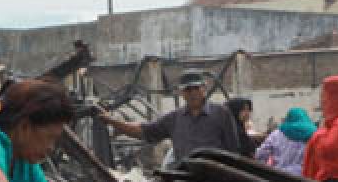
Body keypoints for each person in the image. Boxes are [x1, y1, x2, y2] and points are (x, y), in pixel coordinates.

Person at [99, 71, 240, 167]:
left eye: (196, 88)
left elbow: (234, 151)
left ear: (204, 89)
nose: (192, 93)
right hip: (185, 180)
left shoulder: (221, 114)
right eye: (188, 90)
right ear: (181, 92)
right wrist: (111, 121)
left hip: (216, 181)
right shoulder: (174, 119)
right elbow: (144, 131)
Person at [254, 107, 316, 175]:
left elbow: (260, 153)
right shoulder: (313, 135)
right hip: (303, 178)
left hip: (279, 175)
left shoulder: (277, 134)